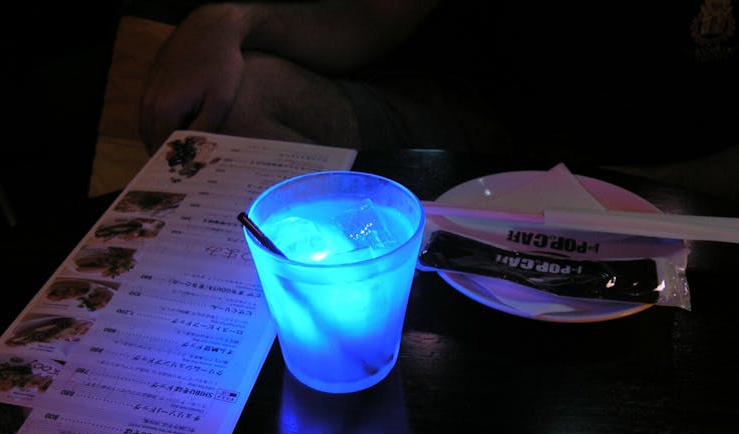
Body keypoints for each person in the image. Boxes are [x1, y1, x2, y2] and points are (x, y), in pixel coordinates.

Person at [139, 0, 739, 199]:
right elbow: (366, 19)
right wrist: (230, 19)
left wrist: (610, 193)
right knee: (243, 101)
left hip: (665, 179)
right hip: (473, 136)